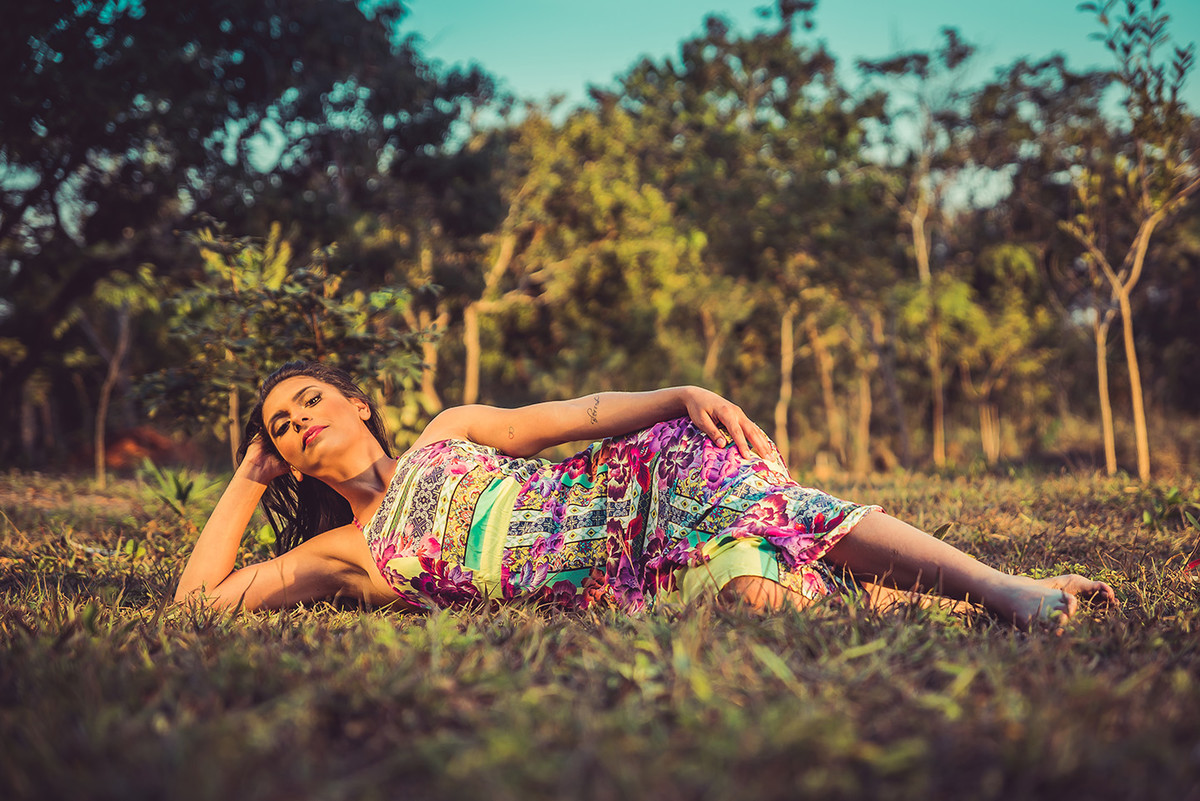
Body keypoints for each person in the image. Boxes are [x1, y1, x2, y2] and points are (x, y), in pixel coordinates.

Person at [175, 361, 1116, 629]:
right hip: (612, 580)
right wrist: (248, 475)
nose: (299, 421)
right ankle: (950, 594)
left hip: (628, 483)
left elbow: (572, 416)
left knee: (754, 503)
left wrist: (678, 396)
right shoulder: (342, 553)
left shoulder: (447, 430)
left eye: (310, 400)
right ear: (286, 459)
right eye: (282, 425)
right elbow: (195, 604)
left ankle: (1001, 589)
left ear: (357, 403)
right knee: (753, 589)